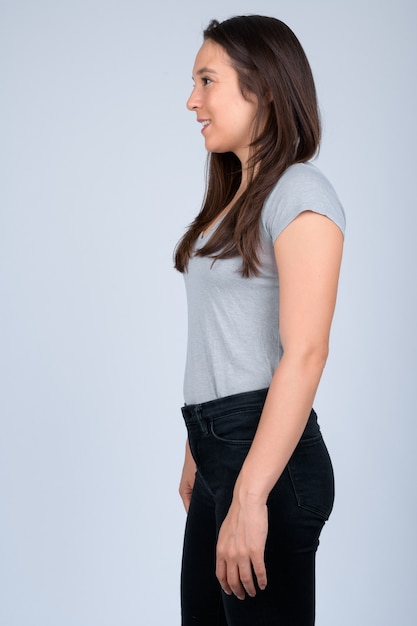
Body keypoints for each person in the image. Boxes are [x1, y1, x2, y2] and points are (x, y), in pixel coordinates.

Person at [174, 15, 345, 626]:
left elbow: (305, 353)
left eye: (207, 80)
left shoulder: (301, 192)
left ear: (263, 87)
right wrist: (197, 449)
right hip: (222, 449)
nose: (192, 100)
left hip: (265, 461)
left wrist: (248, 493)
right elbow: (228, 332)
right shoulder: (234, 201)